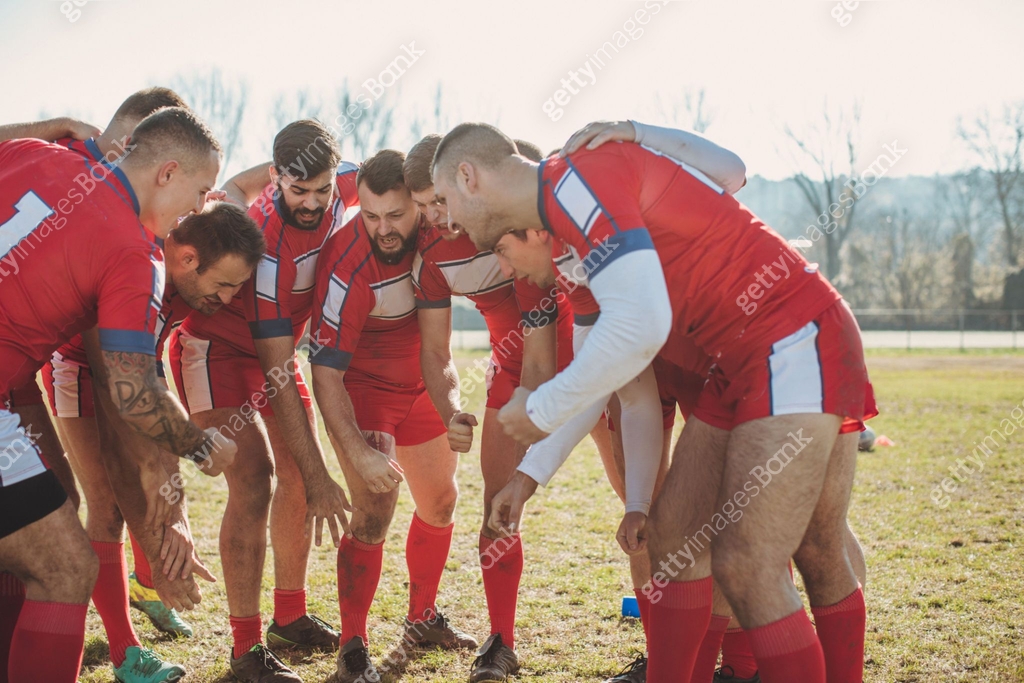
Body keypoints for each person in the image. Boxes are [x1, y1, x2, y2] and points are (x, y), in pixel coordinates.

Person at [432, 121, 875, 683]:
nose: (448, 220)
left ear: (469, 177)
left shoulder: (577, 177)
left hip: (787, 339)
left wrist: (638, 131)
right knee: (673, 533)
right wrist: (527, 479)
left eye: (446, 200)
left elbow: (642, 324)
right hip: (733, 364)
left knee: (755, 563)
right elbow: (613, 388)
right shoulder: (572, 243)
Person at [0, 106, 236, 683]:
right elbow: (132, 388)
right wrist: (201, 448)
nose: (200, 207)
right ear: (167, 172)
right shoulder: (133, 252)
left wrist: (49, 122)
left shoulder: (39, 154)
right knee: (65, 569)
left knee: (33, 535)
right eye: (201, 190)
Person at [170, 119, 358, 681]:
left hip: (273, 350)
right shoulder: (268, 246)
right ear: (277, 181)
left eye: (321, 191)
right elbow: (278, 361)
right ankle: (245, 650)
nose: (312, 203)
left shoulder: (342, 183)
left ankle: (290, 615)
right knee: (257, 479)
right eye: (297, 191)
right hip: (218, 351)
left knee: (300, 478)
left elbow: (367, 185)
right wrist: (325, 475)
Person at [309, 149, 476, 683]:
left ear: (418, 204)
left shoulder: (436, 233)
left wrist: (452, 409)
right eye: (371, 215)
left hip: (421, 384)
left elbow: (439, 352)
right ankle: (353, 648)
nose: (383, 228)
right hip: (364, 389)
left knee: (443, 501)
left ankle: (422, 617)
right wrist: (357, 450)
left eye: (396, 215)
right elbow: (326, 374)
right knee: (375, 509)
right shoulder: (345, 264)